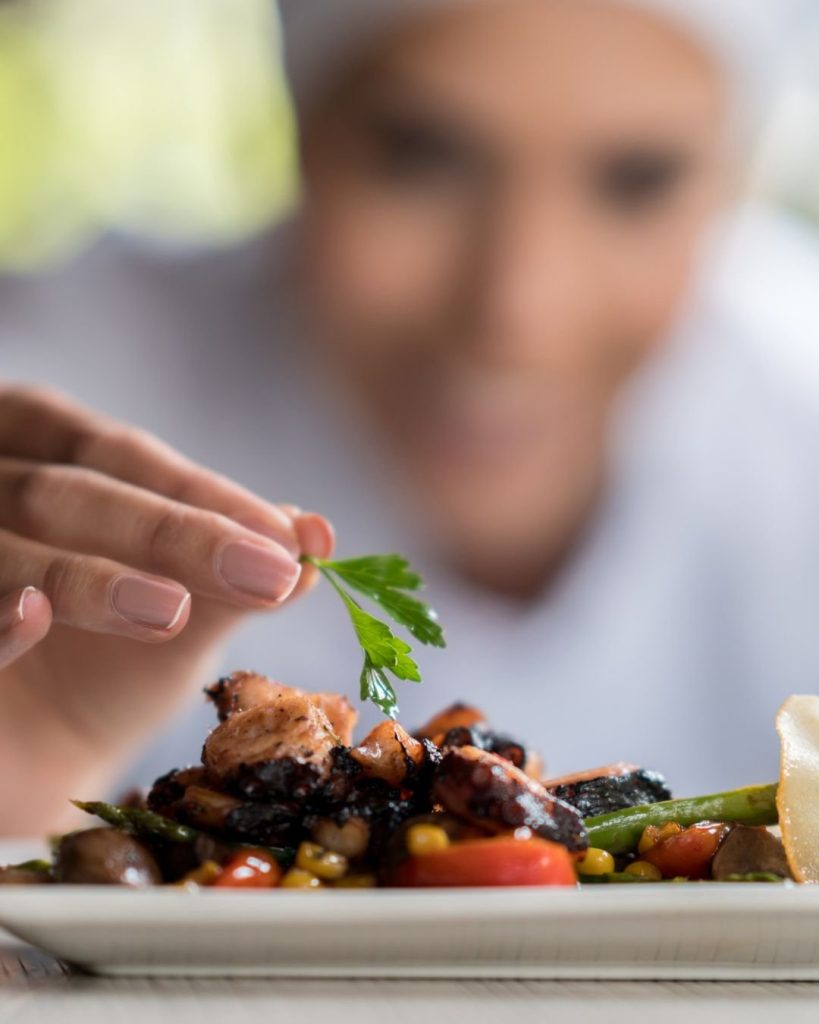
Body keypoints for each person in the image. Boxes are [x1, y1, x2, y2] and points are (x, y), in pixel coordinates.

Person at [1, 0, 818, 834]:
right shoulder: (62, 385)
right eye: (421, 158)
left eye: (635, 180)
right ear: (304, 127)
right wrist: (27, 772)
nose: (516, 312)